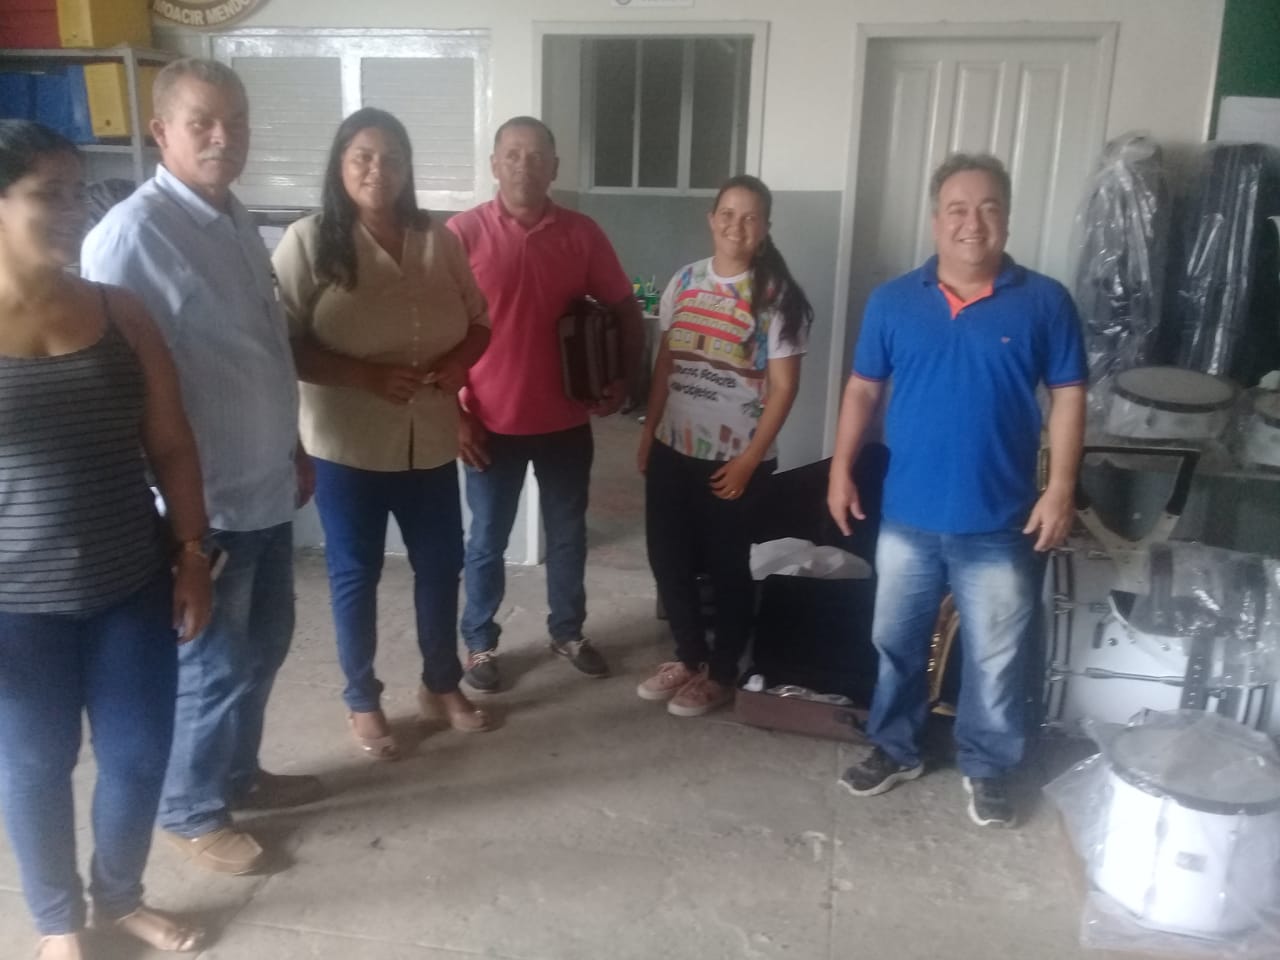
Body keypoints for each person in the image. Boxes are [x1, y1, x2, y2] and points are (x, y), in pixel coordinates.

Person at [81, 58, 322, 876]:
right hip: (203, 506)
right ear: (161, 132)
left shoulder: (232, 217)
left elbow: (259, 351)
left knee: (266, 646)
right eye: (203, 123)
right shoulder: (133, 236)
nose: (225, 137)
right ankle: (190, 810)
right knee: (212, 664)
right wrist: (167, 520)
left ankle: (236, 774)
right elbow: (110, 386)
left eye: (237, 121)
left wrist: (292, 446)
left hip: (263, 486)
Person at [0, 120, 212, 959]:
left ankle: (120, 898)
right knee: (34, 764)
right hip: (15, 605)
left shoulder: (120, 312)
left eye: (76, 191)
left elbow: (172, 445)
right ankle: (60, 923)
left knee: (136, 756)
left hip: (130, 582)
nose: (70, 210)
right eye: (45, 194)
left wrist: (192, 554)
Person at [826, 153, 1086, 828]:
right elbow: (862, 389)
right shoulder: (892, 301)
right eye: (958, 209)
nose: (973, 223)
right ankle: (896, 748)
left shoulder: (1045, 301)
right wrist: (840, 467)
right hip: (908, 516)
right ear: (936, 219)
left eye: (989, 208)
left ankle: (989, 767)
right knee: (895, 644)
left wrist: (1060, 487)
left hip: (1000, 519)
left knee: (997, 658)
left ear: (1007, 218)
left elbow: (1068, 396)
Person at [272, 108, 494, 759]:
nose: (378, 169)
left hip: (429, 438)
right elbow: (280, 342)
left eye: (391, 157)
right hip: (347, 444)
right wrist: (362, 376)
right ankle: (362, 699)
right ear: (340, 165)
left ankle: (440, 684)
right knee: (355, 572)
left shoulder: (437, 239)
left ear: (407, 168)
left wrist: (459, 364)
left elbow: (479, 321)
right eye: (362, 156)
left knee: (441, 564)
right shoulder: (308, 241)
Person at [447, 116, 643, 692]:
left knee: (567, 536)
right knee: (487, 541)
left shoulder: (582, 234)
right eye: (512, 154)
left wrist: (623, 378)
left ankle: (568, 631)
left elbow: (625, 307)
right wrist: (453, 415)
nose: (523, 165)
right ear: (494, 164)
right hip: (488, 423)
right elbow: (434, 330)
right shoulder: (461, 234)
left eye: (536, 156)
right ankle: (479, 644)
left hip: (565, 421)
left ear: (554, 167)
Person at [636, 175, 811, 717]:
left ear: (765, 229)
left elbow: (784, 387)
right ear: (712, 219)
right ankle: (688, 656)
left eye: (750, 217)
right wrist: (648, 433)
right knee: (667, 558)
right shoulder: (685, 281)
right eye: (728, 214)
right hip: (673, 447)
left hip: (736, 459)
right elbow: (667, 363)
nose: (737, 226)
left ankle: (721, 671)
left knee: (726, 566)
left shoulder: (777, 298)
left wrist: (749, 462)